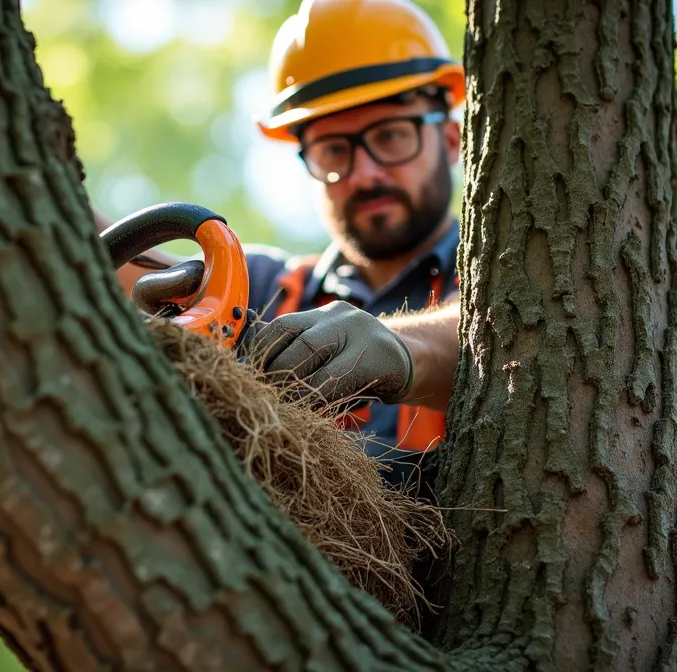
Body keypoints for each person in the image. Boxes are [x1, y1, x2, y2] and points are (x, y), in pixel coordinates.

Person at [95, 0, 465, 491]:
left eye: (392, 136)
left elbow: (498, 334)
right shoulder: (266, 289)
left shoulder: (498, 285)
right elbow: (82, 247)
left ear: (451, 138)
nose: (366, 172)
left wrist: (402, 349)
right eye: (335, 149)